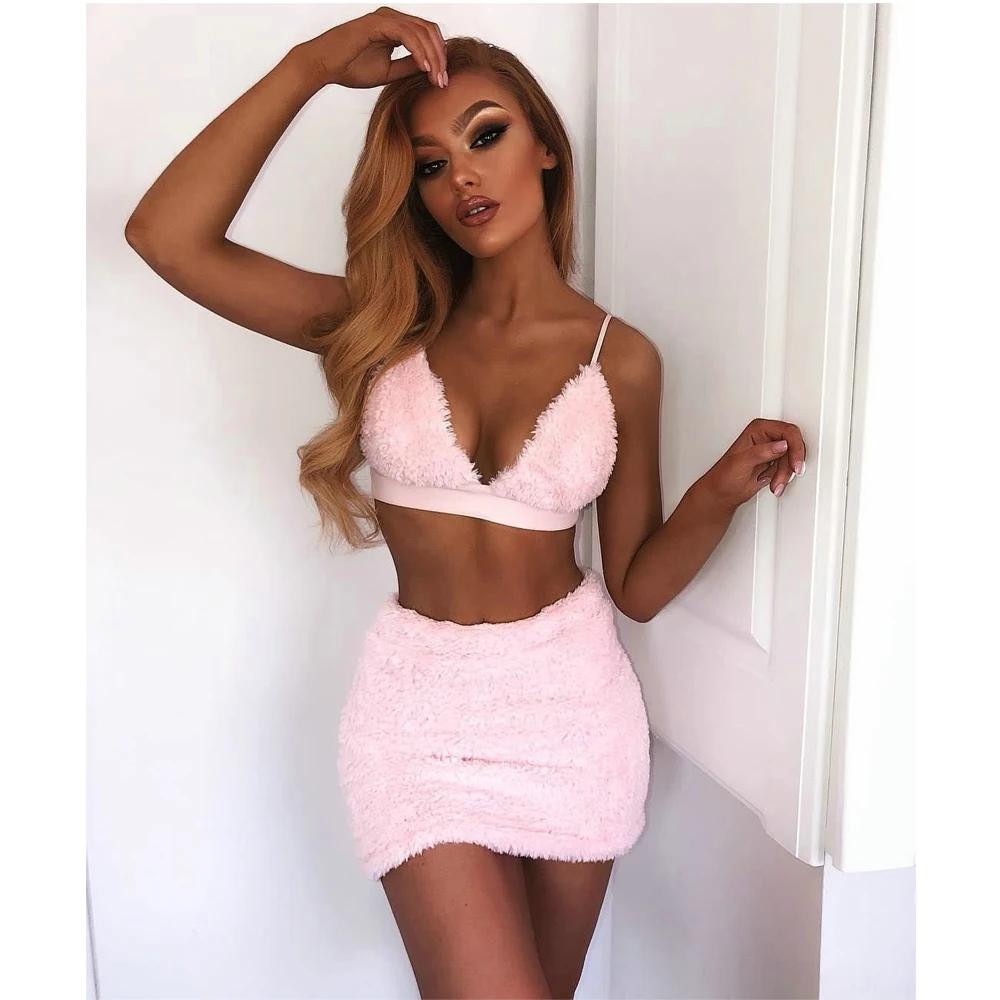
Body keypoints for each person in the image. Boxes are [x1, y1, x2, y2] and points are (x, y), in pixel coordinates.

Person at [125, 7, 806, 997]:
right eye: (432, 164)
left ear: (545, 149)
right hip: (417, 717)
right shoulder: (383, 327)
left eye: (486, 135)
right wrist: (309, 64)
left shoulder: (621, 358)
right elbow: (166, 236)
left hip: (572, 718)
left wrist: (717, 491)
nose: (463, 178)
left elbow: (637, 584)